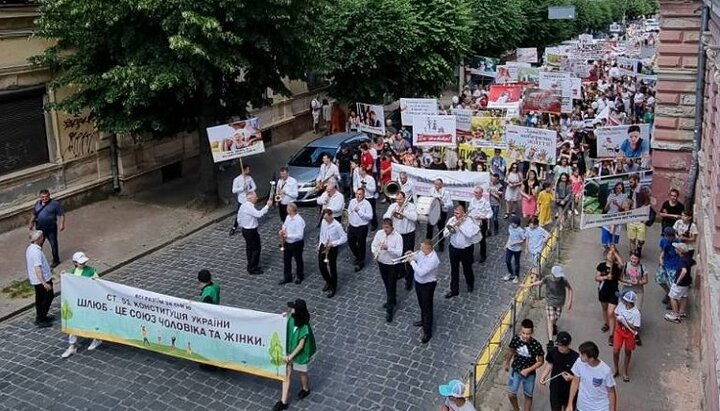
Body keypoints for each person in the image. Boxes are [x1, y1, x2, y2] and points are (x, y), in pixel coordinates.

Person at [273, 299, 316, 411]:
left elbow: (301, 346)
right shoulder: (291, 318)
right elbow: (286, 318)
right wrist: (282, 317)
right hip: (289, 350)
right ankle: (283, 401)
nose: (291, 309)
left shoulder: (305, 327)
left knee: (302, 373)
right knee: (286, 374)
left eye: (293, 308)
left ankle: (305, 389)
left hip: (300, 355)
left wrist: (290, 357)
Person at [61, 252, 103, 358]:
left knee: (91, 320)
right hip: (77, 302)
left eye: (84, 262)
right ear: (75, 263)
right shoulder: (73, 272)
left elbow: (99, 284)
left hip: (88, 302)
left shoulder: (91, 271)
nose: (83, 264)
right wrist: (64, 275)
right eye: (80, 262)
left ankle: (96, 339)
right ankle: (72, 346)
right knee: (73, 323)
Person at [522, 266, 573, 346]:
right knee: (550, 319)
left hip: (560, 302)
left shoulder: (563, 281)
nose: (558, 278)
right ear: (553, 275)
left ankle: (554, 325)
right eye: (557, 276)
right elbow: (540, 282)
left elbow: (570, 289)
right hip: (550, 302)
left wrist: (569, 301)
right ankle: (550, 340)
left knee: (556, 317)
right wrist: (529, 285)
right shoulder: (548, 278)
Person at [504, 319, 545, 411]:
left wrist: (528, 370)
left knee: (528, 395)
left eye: (528, 334)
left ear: (532, 332)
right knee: (511, 393)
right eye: (524, 333)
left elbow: (541, 361)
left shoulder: (536, 345)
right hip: (516, 370)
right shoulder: (515, 339)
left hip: (530, 374)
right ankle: (516, 409)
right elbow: (511, 351)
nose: (526, 336)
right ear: (520, 331)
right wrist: (507, 363)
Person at [567, 341, 617, 411]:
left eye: (582, 355)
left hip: (600, 408)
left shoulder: (605, 371)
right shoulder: (579, 362)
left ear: (591, 359)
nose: (579, 356)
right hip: (581, 407)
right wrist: (570, 404)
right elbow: (575, 382)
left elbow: (611, 392)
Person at [371, 219, 404, 322]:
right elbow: (373, 245)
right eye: (384, 227)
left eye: (387, 228)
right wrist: (374, 252)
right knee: (387, 284)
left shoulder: (398, 237)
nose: (385, 230)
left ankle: (389, 311)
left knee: (391, 285)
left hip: (392, 265)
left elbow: (399, 253)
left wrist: (388, 248)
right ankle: (392, 300)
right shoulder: (379, 233)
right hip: (382, 263)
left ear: (392, 227)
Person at [383, 191, 418, 290]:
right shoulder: (393, 206)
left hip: (408, 234)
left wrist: (404, 212)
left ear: (404, 198)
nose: (398, 201)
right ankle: (401, 272)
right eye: (396, 199)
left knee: (408, 256)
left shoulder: (411, 206)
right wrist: (391, 212)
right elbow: (385, 217)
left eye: (400, 199)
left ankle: (409, 280)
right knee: (398, 255)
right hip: (397, 235)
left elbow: (415, 217)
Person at [444, 205, 480, 299]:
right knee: (454, 270)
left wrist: (459, 225)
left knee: (467, 268)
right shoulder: (452, 220)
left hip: (466, 249)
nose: (456, 215)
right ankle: (454, 290)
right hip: (453, 248)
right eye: (455, 213)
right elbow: (445, 234)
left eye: (458, 213)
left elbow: (469, 234)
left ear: (463, 213)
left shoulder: (469, 221)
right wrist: (452, 227)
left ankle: (470, 284)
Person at [407, 240, 439, 344]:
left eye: (422, 248)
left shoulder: (433, 259)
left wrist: (411, 262)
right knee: (422, 304)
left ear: (428, 249)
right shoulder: (422, 252)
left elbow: (421, 273)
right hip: (419, 283)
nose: (420, 250)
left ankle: (427, 332)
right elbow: (417, 256)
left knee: (427, 308)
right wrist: (411, 254)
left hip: (428, 285)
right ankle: (423, 321)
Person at [540, 332, 579, 411]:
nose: (561, 347)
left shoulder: (576, 357)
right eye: (559, 345)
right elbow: (550, 364)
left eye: (563, 345)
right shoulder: (553, 352)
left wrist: (571, 378)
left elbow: (579, 376)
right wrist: (543, 376)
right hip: (555, 387)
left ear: (569, 345)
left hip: (570, 389)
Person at [29, 189, 65, 267]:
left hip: (51, 228)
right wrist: (31, 223)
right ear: (40, 197)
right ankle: (38, 260)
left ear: (49, 196)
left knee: (53, 244)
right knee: (38, 245)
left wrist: (61, 224)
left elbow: (61, 214)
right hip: (40, 228)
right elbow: (34, 214)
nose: (44, 199)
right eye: (42, 197)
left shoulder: (55, 204)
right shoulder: (37, 204)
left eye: (46, 197)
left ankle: (56, 260)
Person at [238, 192, 272, 275]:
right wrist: (267, 206)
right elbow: (259, 214)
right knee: (256, 249)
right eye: (255, 197)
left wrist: (242, 225)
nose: (257, 198)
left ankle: (251, 265)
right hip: (250, 231)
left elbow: (239, 218)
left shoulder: (243, 206)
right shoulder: (249, 207)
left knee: (250, 249)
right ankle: (253, 267)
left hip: (246, 230)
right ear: (249, 198)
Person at [26, 230, 54, 327]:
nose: (43, 238)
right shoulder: (36, 252)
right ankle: (41, 318)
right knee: (48, 297)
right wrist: (44, 283)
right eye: (42, 237)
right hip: (42, 280)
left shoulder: (30, 248)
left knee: (40, 298)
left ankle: (42, 316)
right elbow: (38, 268)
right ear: (38, 239)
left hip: (36, 280)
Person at [619, 251, 647, 346]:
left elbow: (646, 280)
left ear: (638, 259)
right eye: (632, 258)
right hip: (627, 290)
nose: (633, 260)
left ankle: (635, 332)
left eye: (635, 259)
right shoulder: (626, 265)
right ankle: (624, 326)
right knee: (624, 308)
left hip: (638, 291)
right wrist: (628, 281)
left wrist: (638, 282)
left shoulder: (642, 268)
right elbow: (621, 277)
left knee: (637, 310)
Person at [317, 209, 347, 298]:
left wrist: (333, 243)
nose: (325, 219)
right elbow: (322, 234)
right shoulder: (324, 221)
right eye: (324, 218)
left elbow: (344, 238)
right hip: (323, 245)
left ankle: (333, 287)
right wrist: (319, 245)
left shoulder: (337, 226)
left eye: (326, 218)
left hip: (332, 248)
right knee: (321, 266)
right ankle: (328, 281)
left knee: (332, 268)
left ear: (331, 215)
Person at [612, 290, 641, 382]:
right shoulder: (621, 305)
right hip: (619, 331)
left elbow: (636, 327)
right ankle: (616, 369)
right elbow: (616, 313)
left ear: (630, 302)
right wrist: (618, 321)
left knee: (628, 352)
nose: (623, 301)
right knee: (615, 351)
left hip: (629, 333)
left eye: (625, 300)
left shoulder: (636, 313)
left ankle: (625, 371)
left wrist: (625, 322)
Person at [596, 247, 621, 346]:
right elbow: (596, 277)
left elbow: (622, 264)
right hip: (603, 290)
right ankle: (606, 323)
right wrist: (605, 277)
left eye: (613, 254)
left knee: (611, 312)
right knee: (605, 309)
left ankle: (612, 335)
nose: (612, 256)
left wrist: (616, 253)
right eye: (610, 254)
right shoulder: (601, 266)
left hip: (613, 291)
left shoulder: (616, 266)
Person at [664, 242, 693, 323]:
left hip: (681, 283)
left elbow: (684, 271)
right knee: (684, 296)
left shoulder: (682, 260)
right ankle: (681, 312)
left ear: (679, 251)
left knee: (672, 296)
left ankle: (675, 315)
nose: (675, 249)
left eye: (676, 248)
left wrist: (678, 281)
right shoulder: (688, 258)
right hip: (687, 282)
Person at [347, 188, 373, 272]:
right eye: (357, 194)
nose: (358, 196)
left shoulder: (367, 204)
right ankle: (358, 256)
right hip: (352, 226)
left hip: (362, 227)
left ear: (363, 195)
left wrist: (360, 212)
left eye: (360, 194)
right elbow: (349, 212)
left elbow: (370, 216)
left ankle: (361, 262)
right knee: (351, 243)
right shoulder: (352, 201)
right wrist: (348, 222)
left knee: (361, 245)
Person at [279, 203, 305, 285]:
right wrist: (282, 230)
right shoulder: (288, 217)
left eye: (288, 209)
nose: (286, 210)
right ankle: (287, 277)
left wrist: (288, 235)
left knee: (298, 260)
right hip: (288, 243)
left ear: (291, 210)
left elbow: (300, 235)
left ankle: (300, 276)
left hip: (296, 243)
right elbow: (285, 225)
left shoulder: (299, 220)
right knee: (286, 260)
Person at [656, 226, 682, 306]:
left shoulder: (678, 243)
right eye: (665, 236)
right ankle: (668, 293)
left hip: (674, 266)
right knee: (659, 279)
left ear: (672, 236)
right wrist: (660, 259)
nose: (666, 238)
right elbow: (662, 251)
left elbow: (683, 255)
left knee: (673, 285)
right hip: (665, 264)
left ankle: (673, 300)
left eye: (668, 236)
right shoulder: (664, 240)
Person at [426, 178, 453, 252]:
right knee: (429, 228)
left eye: (438, 184)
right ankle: (428, 244)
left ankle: (441, 244)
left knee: (441, 228)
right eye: (435, 184)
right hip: (433, 211)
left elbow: (451, 204)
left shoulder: (446, 192)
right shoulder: (431, 190)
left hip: (442, 212)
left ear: (442, 184)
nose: (436, 186)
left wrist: (443, 203)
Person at [229, 165, 256, 236]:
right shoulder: (237, 179)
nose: (249, 170)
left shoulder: (249, 178)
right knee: (239, 214)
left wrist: (249, 190)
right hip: (241, 200)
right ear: (244, 170)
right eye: (248, 169)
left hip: (249, 199)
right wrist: (242, 188)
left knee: (251, 212)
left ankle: (250, 225)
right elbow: (233, 190)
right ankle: (234, 227)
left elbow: (254, 186)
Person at [468, 186, 491, 263]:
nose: (475, 194)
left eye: (477, 193)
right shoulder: (472, 200)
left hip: (481, 223)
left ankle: (483, 255)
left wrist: (483, 217)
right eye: (475, 192)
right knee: (471, 238)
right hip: (473, 222)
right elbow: (469, 209)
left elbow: (490, 213)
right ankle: (470, 256)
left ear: (481, 194)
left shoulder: (485, 202)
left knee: (482, 239)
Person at [503, 216, 526, 283]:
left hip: (517, 249)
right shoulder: (510, 227)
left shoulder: (520, 231)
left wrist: (515, 242)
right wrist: (507, 244)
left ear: (516, 224)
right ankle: (510, 273)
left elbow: (524, 240)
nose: (511, 224)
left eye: (513, 223)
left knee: (516, 263)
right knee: (507, 261)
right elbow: (510, 236)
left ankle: (516, 276)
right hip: (510, 247)